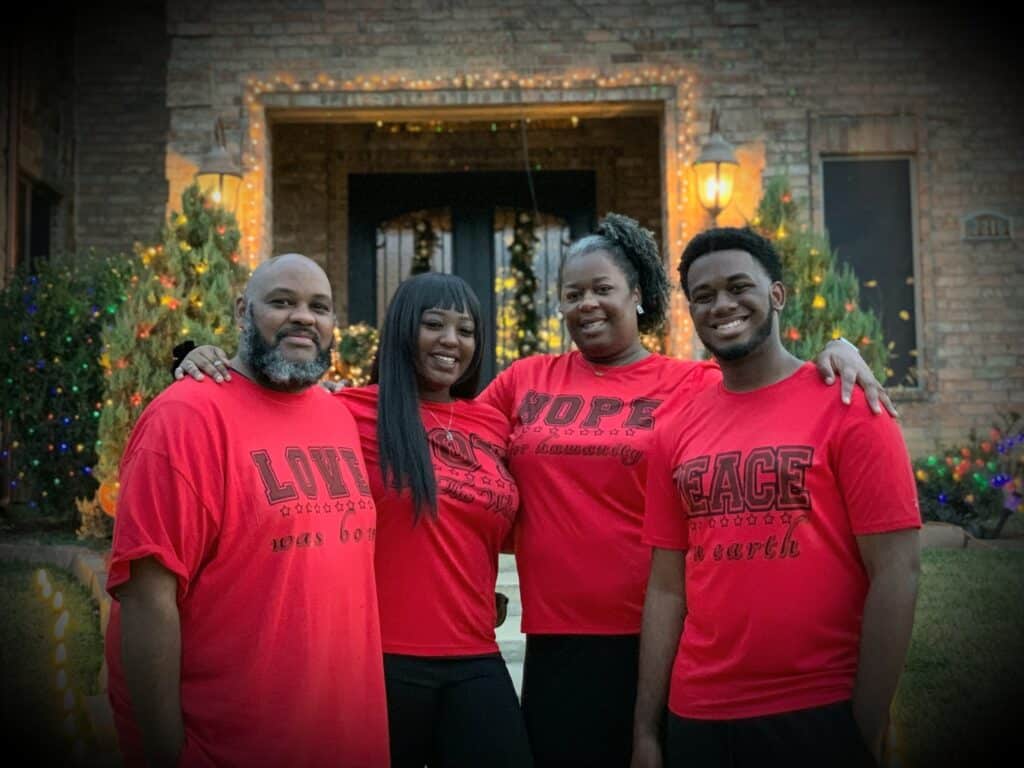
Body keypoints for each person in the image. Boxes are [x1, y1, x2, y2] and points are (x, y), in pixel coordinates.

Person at [179, 214, 893, 768]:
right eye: (571, 294)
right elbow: (439, 429)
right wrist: (203, 355)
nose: (586, 305)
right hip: (553, 642)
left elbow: (766, 381)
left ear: (637, 296)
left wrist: (838, 351)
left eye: (601, 290)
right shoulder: (523, 385)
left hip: (662, 639)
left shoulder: (693, 383)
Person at [177, 272, 532, 767]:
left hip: (474, 654)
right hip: (376, 665)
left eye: (466, 330)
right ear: (404, 330)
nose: (451, 340)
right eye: (434, 324)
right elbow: (264, 405)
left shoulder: (493, 423)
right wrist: (202, 357)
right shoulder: (345, 412)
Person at [633, 227, 921, 768]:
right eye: (703, 295)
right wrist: (647, 732)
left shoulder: (849, 405)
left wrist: (867, 721)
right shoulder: (674, 426)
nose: (722, 305)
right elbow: (667, 587)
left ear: (778, 295)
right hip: (698, 711)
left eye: (739, 286)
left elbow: (898, 571)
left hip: (818, 706)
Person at [105, 253, 390, 767]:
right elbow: (146, 601)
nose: (304, 316)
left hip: (347, 736)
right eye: (282, 302)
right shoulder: (182, 420)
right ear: (242, 311)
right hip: (230, 746)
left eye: (319, 307)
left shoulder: (338, 414)